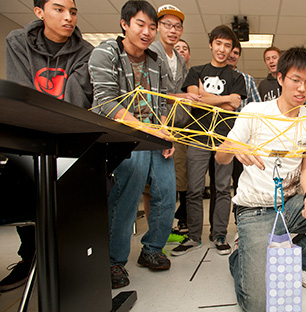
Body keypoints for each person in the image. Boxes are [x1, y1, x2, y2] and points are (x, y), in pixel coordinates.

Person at [215, 47, 306, 312]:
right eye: (295, 80)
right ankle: (240, 258)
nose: (302, 88)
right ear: (280, 78)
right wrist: (234, 148)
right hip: (255, 210)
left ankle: (299, 265)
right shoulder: (254, 111)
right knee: (258, 305)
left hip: (290, 204)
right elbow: (220, 158)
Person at [1, 0, 93, 292]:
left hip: (67, 137)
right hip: (29, 137)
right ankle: (29, 258)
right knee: (23, 188)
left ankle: (71, 262)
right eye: (59, 9)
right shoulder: (17, 42)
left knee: (76, 196)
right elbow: (22, 94)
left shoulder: (86, 52)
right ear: (39, 12)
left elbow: (77, 101)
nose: (68, 18)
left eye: (73, 12)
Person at [88, 0, 176, 289]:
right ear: (125, 24)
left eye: (153, 27)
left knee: (167, 189)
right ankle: (114, 260)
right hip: (121, 136)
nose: (147, 32)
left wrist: (164, 131)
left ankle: (152, 250)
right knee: (130, 189)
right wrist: (144, 130)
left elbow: (163, 101)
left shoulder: (156, 60)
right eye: (141, 24)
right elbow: (105, 101)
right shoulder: (105, 53)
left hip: (151, 135)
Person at [171, 25, 246, 257]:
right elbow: (195, 102)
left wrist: (208, 97)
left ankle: (219, 234)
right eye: (218, 44)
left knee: (222, 188)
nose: (222, 49)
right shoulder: (196, 71)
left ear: (232, 48)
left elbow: (235, 104)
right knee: (194, 189)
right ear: (211, 44)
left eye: (227, 45)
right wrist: (223, 99)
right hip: (197, 136)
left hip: (225, 138)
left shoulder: (237, 77)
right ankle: (194, 236)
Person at [150, 4, 201, 236]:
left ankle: (161, 236)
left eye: (177, 26)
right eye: (167, 25)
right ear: (158, 27)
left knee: (174, 183)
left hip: (179, 127)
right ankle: (157, 235)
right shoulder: (151, 52)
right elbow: (152, 93)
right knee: (157, 187)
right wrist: (181, 97)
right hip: (156, 127)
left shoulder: (180, 61)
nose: (173, 30)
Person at [226, 41, 261, 199]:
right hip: (221, 137)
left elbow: (258, 107)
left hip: (244, 139)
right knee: (221, 184)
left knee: (241, 179)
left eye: (236, 53)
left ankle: (239, 215)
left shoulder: (248, 80)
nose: (232, 55)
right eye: (230, 51)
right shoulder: (214, 79)